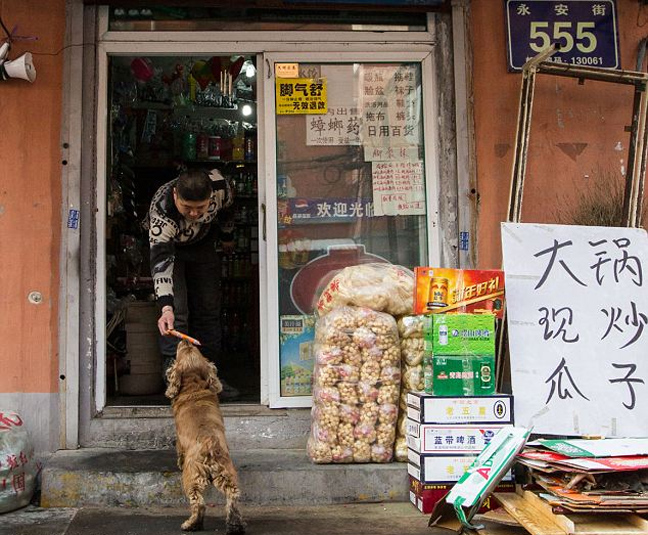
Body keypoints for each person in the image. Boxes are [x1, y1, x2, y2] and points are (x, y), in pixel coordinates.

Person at [148, 168, 238, 397]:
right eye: (187, 207)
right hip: (171, 250)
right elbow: (161, 265)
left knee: (208, 309)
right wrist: (165, 307)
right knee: (177, 312)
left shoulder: (221, 187)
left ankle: (212, 378)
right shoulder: (161, 213)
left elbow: (229, 209)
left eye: (201, 207)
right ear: (176, 195)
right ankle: (175, 382)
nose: (194, 213)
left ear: (211, 197)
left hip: (204, 243)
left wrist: (227, 236)